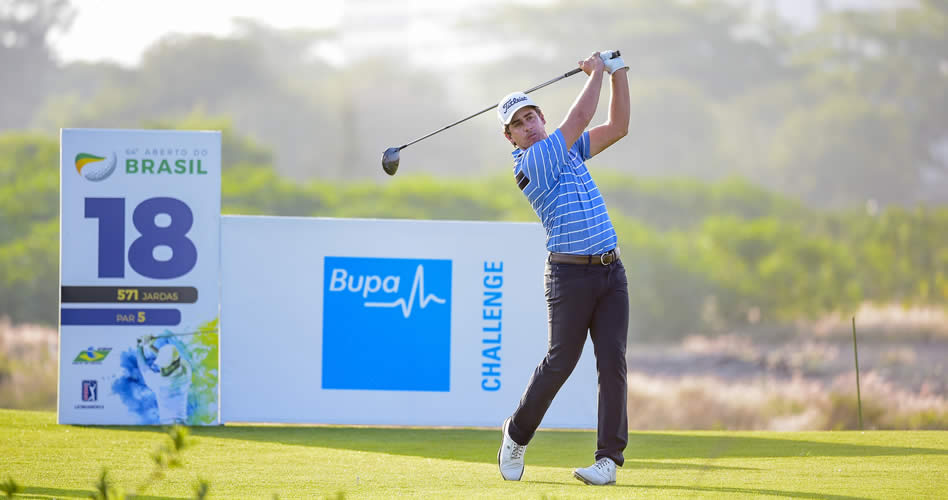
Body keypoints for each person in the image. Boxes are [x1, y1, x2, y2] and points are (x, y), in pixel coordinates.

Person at [496, 51, 630, 486]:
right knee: (561, 362)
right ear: (510, 138)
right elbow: (579, 116)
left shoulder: (568, 150)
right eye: (518, 123)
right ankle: (516, 434)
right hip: (569, 277)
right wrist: (595, 73)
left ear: (541, 118)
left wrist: (619, 73)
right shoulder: (532, 164)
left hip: (611, 272)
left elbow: (618, 127)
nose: (529, 125)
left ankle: (608, 460)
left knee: (612, 362)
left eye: (533, 115)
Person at [136, 335, 192, 425]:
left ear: (175, 364)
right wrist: (151, 347)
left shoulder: (160, 383)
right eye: (161, 365)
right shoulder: (186, 370)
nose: (162, 370)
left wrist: (139, 346)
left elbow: (143, 366)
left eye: (165, 366)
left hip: (166, 424)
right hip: (183, 423)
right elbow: (170, 358)